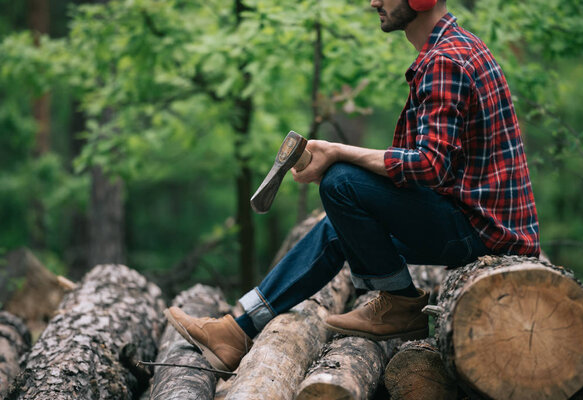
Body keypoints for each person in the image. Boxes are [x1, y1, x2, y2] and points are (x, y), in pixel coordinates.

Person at [164, 0, 540, 375]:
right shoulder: (454, 48)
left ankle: (399, 302)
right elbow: (434, 164)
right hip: (480, 224)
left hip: (482, 234)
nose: (373, 1)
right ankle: (237, 330)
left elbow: (428, 165)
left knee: (342, 182)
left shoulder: (445, 61)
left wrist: (338, 152)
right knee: (336, 228)